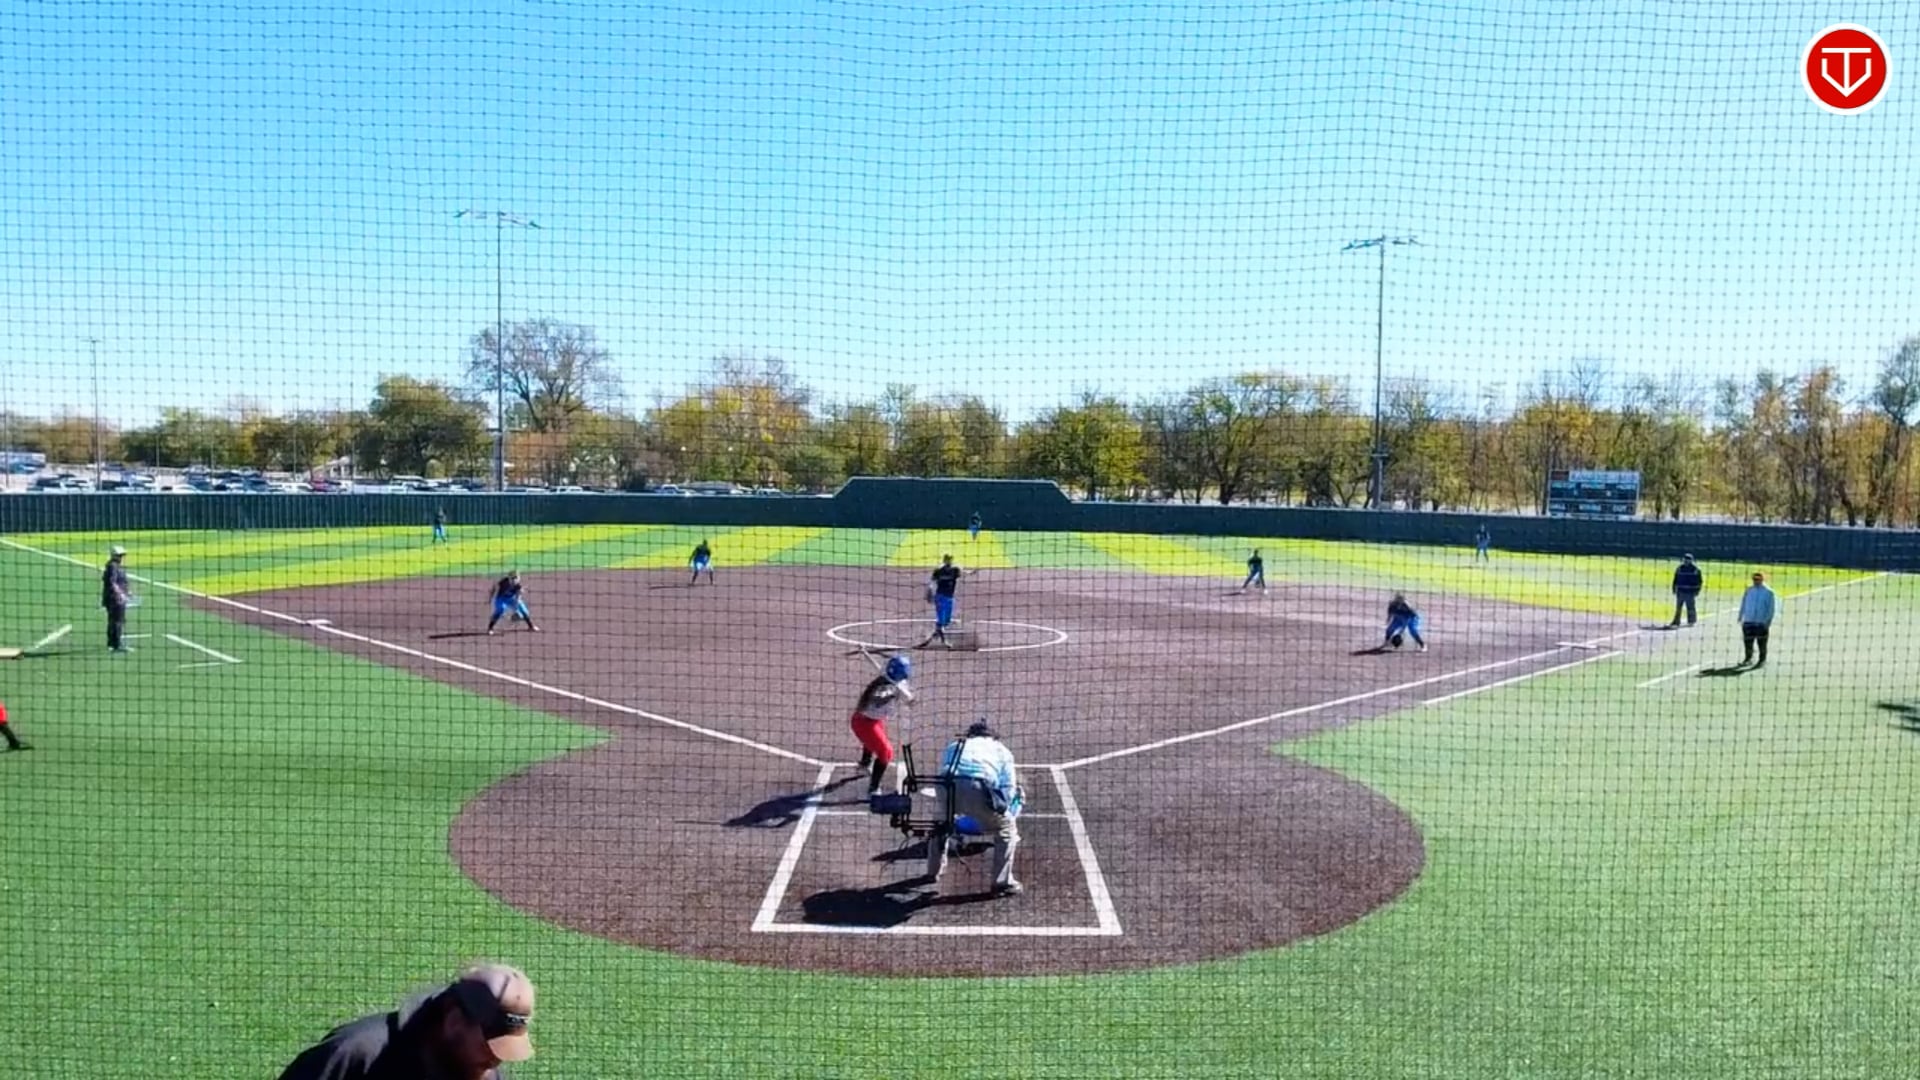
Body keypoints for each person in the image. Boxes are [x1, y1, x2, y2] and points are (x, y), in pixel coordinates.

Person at [276, 962, 535, 1080]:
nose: (497, 1058)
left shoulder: (480, 1071)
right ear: (454, 1020)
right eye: (490, 1042)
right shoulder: (357, 1054)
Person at [920, 719, 1024, 897]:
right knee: (1007, 829)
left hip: (945, 786)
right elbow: (1008, 788)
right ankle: (1002, 883)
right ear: (992, 736)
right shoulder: (1002, 750)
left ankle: (932, 872)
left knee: (940, 826)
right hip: (976, 787)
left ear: (971, 734)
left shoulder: (955, 745)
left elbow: (944, 770)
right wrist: (999, 811)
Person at [850, 654, 912, 796]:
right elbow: (878, 699)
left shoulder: (898, 682)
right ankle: (873, 788)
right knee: (886, 752)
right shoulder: (881, 687)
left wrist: (907, 697)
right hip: (863, 723)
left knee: (873, 743)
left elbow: (907, 696)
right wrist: (893, 691)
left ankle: (864, 765)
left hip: (875, 721)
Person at [920, 554, 971, 649]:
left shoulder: (955, 569)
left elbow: (963, 572)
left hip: (949, 598)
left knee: (946, 621)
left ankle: (933, 636)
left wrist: (971, 573)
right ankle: (944, 642)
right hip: (940, 597)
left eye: (950, 559)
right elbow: (932, 582)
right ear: (944, 560)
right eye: (947, 559)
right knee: (941, 620)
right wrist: (929, 591)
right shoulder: (939, 570)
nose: (949, 561)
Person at [1738, 571, 1777, 668]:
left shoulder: (1768, 592)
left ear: (1762, 579)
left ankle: (1762, 660)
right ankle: (1748, 658)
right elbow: (1744, 603)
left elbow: (1771, 608)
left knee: (1761, 643)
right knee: (1748, 642)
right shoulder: (1749, 590)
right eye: (1754, 579)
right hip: (1748, 620)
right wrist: (1740, 616)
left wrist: (1768, 621)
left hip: (1761, 622)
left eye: (1758, 579)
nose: (1756, 581)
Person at [486, 571, 539, 635]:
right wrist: (490, 598)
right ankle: (490, 628)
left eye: (516, 578)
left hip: (511, 598)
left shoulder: (518, 586)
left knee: (523, 609)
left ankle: (531, 626)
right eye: (512, 578)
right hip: (501, 598)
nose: (514, 580)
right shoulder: (503, 582)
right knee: (500, 609)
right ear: (509, 578)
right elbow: (494, 588)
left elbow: (518, 597)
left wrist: (517, 608)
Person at [102, 545, 132, 653]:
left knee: (113, 621)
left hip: (113, 598)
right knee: (117, 621)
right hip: (115, 599)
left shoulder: (112, 565)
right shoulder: (113, 566)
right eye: (120, 555)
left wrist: (127, 591)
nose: (121, 557)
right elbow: (112, 582)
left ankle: (112, 643)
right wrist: (120, 594)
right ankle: (116, 644)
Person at [1669, 554, 1704, 628]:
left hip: (1690, 592)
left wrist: (1697, 590)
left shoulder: (1695, 570)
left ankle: (1691, 621)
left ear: (1691, 560)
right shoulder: (1680, 568)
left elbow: (1699, 581)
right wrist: (1674, 588)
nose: (1686, 561)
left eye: (1688, 559)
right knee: (1678, 607)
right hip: (1680, 591)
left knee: (1690, 607)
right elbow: (1675, 579)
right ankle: (1676, 621)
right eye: (1685, 559)